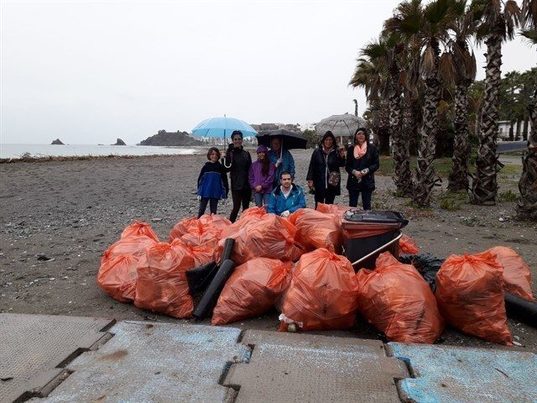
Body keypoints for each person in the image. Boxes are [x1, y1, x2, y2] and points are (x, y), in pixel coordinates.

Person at [306, 131, 346, 208]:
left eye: (330, 139)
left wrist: (342, 156)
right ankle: (318, 218)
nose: (328, 141)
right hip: (319, 181)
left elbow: (341, 164)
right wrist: (310, 179)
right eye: (326, 139)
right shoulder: (317, 151)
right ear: (323, 140)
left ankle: (328, 219)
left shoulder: (336, 151)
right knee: (318, 204)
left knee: (329, 205)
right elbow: (312, 165)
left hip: (332, 182)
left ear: (333, 141)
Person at [345, 127, 379, 210]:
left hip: (367, 180)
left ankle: (367, 222)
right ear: (355, 136)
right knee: (352, 206)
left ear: (366, 136)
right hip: (353, 180)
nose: (361, 135)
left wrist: (367, 170)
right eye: (359, 134)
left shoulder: (372, 148)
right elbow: (347, 166)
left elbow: (376, 164)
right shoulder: (351, 149)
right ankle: (352, 222)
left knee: (367, 205)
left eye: (363, 134)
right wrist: (354, 172)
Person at [222, 130, 252, 222]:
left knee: (246, 208)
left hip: (247, 185)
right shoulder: (230, 153)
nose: (237, 141)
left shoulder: (246, 153)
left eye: (239, 139)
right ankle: (230, 225)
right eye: (235, 139)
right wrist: (223, 159)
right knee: (236, 207)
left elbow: (251, 170)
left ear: (242, 140)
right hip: (236, 185)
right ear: (232, 140)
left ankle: (244, 226)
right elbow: (226, 169)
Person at [197, 147, 229, 218]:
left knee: (213, 212)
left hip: (215, 193)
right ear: (209, 155)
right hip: (205, 192)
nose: (214, 156)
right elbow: (200, 180)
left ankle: (212, 227)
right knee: (201, 211)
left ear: (218, 155)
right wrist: (199, 192)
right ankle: (198, 226)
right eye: (212, 154)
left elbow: (225, 181)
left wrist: (225, 194)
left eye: (216, 154)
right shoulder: (206, 167)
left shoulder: (220, 167)